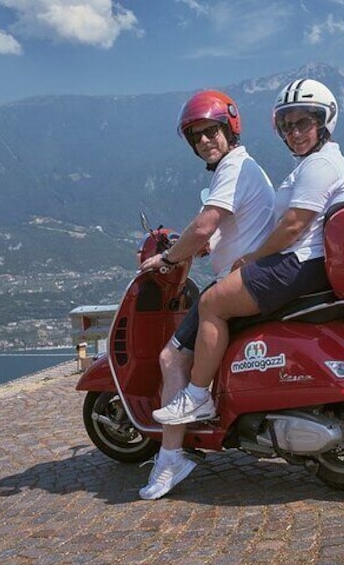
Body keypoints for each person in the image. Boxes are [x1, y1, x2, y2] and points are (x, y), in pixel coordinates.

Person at [153, 79, 344, 425]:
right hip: (307, 263)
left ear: (325, 122)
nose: (294, 132)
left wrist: (254, 257)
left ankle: (197, 397)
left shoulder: (320, 165)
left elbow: (294, 225)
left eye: (304, 123)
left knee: (212, 302)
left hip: (298, 263)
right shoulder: (316, 163)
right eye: (287, 125)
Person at [137, 90, 275, 500]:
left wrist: (165, 259)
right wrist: (193, 247)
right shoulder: (239, 169)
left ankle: (170, 459)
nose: (204, 141)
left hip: (239, 283)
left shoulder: (234, 167)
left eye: (211, 131)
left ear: (229, 129)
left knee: (170, 357)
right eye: (196, 136)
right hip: (251, 276)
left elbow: (204, 226)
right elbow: (214, 233)